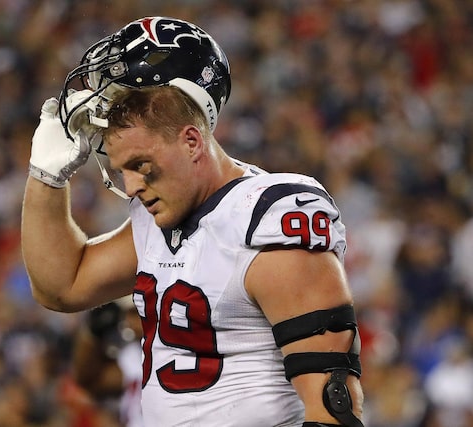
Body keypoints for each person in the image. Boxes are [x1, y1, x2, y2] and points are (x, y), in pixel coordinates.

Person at [22, 16, 364, 427]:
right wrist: (46, 176)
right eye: (122, 170)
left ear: (191, 141)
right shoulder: (159, 218)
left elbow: (333, 408)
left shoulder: (266, 217)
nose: (131, 187)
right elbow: (62, 286)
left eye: (141, 165)